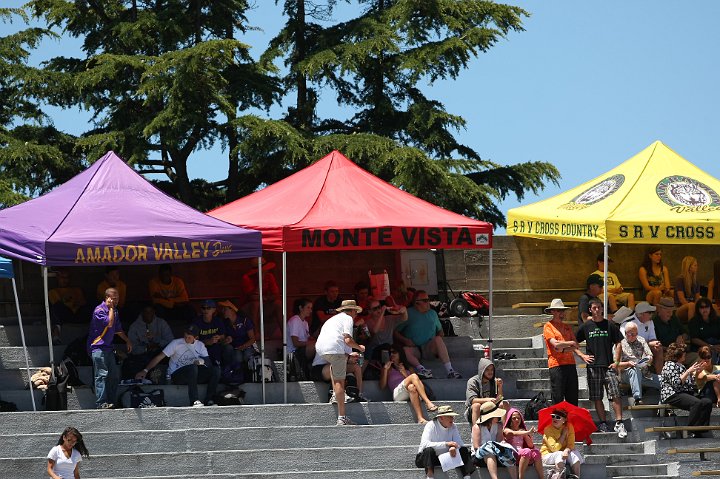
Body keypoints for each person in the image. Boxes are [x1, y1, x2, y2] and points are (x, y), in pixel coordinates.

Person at [575, 298, 627, 438]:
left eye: (599, 307)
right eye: (594, 308)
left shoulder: (609, 325)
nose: (597, 310)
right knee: (597, 397)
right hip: (593, 366)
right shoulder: (586, 326)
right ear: (590, 310)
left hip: (609, 365)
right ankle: (603, 422)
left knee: (615, 394)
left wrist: (616, 361)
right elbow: (573, 342)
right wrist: (582, 356)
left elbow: (619, 343)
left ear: (602, 309)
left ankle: (619, 422)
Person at [135, 324, 220, 407]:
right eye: (185, 336)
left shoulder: (200, 345)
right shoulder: (176, 343)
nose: (186, 339)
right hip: (177, 375)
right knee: (192, 368)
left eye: (189, 337)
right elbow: (160, 357)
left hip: (194, 375)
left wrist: (201, 361)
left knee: (216, 370)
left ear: (196, 338)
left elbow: (208, 362)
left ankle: (209, 399)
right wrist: (145, 370)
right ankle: (194, 400)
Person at [314, 299, 366, 425]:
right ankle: (341, 418)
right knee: (340, 382)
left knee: (338, 368)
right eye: (355, 312)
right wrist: (360, 347)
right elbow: (348, 340)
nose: (356, 315)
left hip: (323, 349)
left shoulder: (334, 319)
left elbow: (339, 341)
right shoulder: (348, 319)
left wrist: (349, 355)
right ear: (352, 311)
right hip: (333, 350)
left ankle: (336, 397)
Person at [394, 290, 462, 379]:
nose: (428, 302)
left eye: (428, 299)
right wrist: (405, 340)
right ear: (417, 303)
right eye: (425, 300)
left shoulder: (433, 313)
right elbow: (395, 332)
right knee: (405, 350)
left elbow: (440, 331)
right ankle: (422, 370)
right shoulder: (408, 313)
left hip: (428, 348)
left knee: (438, 339)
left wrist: (438, 344)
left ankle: (450, 371)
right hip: (414, 349)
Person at [87, 287, 132, 409]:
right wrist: (111, 308)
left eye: (118, 298)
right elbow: (109, 323)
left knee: (114, 375)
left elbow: (117, 329)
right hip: (97, 348)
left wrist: (127, 340)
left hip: (108, 348)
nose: (116, 301)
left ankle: (111, 401)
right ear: (107, 298)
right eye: (114, 298)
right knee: (101, 375)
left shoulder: (115, 312)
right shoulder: (99, 310)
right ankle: (101, 403)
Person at [660, 342, 712, 435]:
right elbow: (676, 383)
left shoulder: (682, 366)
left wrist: (696, 373)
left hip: (684, 392)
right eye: (683, 354)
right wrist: (688, 371)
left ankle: (701, 429)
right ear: (678, 355)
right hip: (672, 394)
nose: (685, 355)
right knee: (696, 403)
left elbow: (691, 384)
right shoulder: (669, 365)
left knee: (707, 402)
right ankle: (691, 429)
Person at [379, 346, 438, 424]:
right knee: (413, 376)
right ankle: (428, 402)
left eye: (394, 352)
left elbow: (416, 382)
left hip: (410, 392)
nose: (392, 354)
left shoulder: (409, 368)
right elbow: (382, 386)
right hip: (398, 394)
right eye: (390, 353)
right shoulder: (388, 368)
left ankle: (420, 418)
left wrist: (404, 373)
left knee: (412, 387)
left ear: (400, 354)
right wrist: (385, 370)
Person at [415, 405, 474, 479]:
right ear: (441, 418)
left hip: (444, 458)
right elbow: (425, 444)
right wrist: (446, 444)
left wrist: (453, 447)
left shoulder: (453, 426)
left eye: (452, 416)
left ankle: (467, 476)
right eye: (449, 416)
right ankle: (430, 476)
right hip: (426, 459)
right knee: (429, 450)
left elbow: (460, 444)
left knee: (463, 450)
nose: (452, 419)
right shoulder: (430, 425)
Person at [543, 299, 580, 405]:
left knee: (573, 398)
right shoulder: (548, 326)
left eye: (562, 311)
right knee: (557, 397)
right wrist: (569, 344)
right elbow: (555, 344)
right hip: (556, 365)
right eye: (559, 311)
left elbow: (575, 345)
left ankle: (571, 421)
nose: (562, 313)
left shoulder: (567, 327)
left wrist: (563, 348)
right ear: (552, 312)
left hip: (570, 364)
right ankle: (557, 421)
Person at [616, 322, 661, 405]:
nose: (635, 336)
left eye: (636, 333)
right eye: (632, 334)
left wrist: (649, 359)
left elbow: (649, 354)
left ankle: (664, 405)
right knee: (634, 370)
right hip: (627, 373)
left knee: (664, 380)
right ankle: (637, 399)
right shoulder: (620, 344)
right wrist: (628, 364)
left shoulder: (641, 340)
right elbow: (616, 364)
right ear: (626, 333)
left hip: (645, 373)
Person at [124, 304, 174, 379]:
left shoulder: (161, 323)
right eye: (146, 312)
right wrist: (146, 348)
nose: (148, 314)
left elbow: (171, 341)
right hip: (142, 355)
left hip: (160, 353)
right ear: (142, 313)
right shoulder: (134, 327)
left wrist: (158, 344)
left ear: (154, 312)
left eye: (151, 311)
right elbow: (132, 348)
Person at [240, 257, 282, 340]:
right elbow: (253, 297)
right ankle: (256, 333)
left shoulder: (269, 276)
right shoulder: (247, 278)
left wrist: (265, 298)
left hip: (264, 303)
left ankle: (284, 333)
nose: (266, 271)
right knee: (255, 304)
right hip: (248, 308)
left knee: (278, 304)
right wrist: (260, 281)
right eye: (264, 269)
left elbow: (276, 294)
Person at [471, 402, 517, 479]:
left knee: (507, 453)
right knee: (489, 453)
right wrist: (489, 447)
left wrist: (503, 444)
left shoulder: (498, 426)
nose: (498, 417)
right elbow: (476, 446)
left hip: (496, 452)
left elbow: (500, 441)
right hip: (479, 455)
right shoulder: (477, 427)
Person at [540, 408, 583, 479]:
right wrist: (563, 435)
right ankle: (559, 475)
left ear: (564, 420)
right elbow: (554, 449)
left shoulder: (569, 426)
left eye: (558, 417)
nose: (554, 419)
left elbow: (571, 444)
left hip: (564, 453)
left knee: (575, 455)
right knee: (559, 454)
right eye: (553, 416)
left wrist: (566, 450)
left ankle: (576, 477)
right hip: (548, 454)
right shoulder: (548, 429)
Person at [622, 302, 664, 374]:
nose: (652, 315)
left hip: (645, 346)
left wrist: (656, 343)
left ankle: (659, 377)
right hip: (631, 348)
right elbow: (627, 342)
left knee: (658, 349)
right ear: (642, 314)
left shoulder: (650, 322)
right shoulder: (627, 323)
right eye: (649, 312)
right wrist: (648, 344)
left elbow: (652, 338)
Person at [49, 269, 89, 344]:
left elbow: (83, 303)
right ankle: (56, 335)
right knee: (56, 308)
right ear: (58, 278)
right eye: (62, 278)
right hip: (66, 315)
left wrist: (73, 303)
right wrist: (74, 302)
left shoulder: (77, 290)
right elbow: (59, 304)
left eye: (66, 278)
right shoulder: (53, 292)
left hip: (79, 314)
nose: (65, 280)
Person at [465, 358, 509, 425]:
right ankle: (476, 431)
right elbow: (472, 400)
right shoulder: (473, 381)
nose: (490, 372)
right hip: (474, 410)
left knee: (504, 403)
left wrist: (500, 386)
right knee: (476, 405)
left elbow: (499, 399)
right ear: (482, 370)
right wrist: (488, 400)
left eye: (492, 370)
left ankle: (504, 429)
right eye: (487, 370)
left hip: (490, 407)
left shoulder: (494, 381)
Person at [503, 408, 543, 479]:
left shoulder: (523, 431)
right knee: (526, 451)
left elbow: (531, 445)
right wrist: (526, 432)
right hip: (512, 454)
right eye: (514, 418)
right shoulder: (506, 430)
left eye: (518, 418)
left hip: (523, 456)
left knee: (536, 452)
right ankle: (521, 477)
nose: (517, 420)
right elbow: (512, 433)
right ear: (510, 420)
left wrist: (525, 435)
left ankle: (542, 477)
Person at [193, 299, 230, 367]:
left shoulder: (218, 321)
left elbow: (223, 336)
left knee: (227, 348)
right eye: (203, 308)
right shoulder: (196, 322)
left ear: (214, 310)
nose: (206, 310)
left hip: (216, 347)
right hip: (201, 349)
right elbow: (192, 342)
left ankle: (227, 371)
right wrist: (207, 342)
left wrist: (221, 338)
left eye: (208, 308)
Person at [221, 299, 257, 364]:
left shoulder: (244, 320)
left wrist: (243, 347)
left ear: (232, 309)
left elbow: (253, 339)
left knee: (247, 355)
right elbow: (222, 342)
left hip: (247, 346)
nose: (222, 311)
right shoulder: (224, 323)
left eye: (225, 309)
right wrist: (227, 340)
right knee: (238, 357)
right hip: (235, 348)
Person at [688, 297, 720, 363]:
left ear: (710, 308)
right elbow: (694, 339)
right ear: (698, 309)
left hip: (717, 344)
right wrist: (710, 346)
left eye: (707, 307)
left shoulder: (717, 319)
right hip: (702, 347)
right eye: (702, 307)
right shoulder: (694, 321)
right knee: (708, 352)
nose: (704, 309)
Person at [287, 298, 316, 362]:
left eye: (311, 308)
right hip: (293, 352)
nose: (310, 311)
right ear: (300, 308)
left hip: (302, 350)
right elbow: (295, 343)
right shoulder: (295, 320)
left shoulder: (305, 323)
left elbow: (308, 338)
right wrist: (312, 343)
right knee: (316, 346)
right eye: (308, 308)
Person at [674, 256, 701, 322]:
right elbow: (682, 299)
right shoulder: (680, 279)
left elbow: (697, 299)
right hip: (680, 307)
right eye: (695, 265)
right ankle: (691, 329)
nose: (697, 267)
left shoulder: (696, 281)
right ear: (689, 267)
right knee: (691, 305)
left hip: (693, 307)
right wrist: (693, 307)